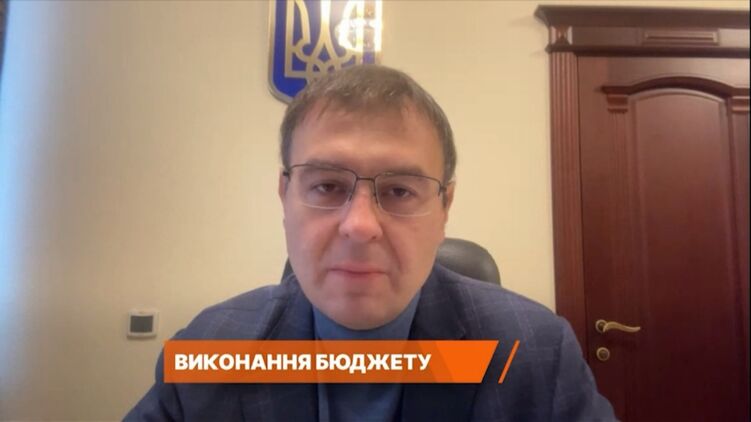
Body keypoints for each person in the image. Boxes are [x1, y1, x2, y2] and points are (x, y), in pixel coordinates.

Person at [126, 65, 615, 421]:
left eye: (399, 191)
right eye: (327, 186)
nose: (360, 226)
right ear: (284, 196)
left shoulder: (538, 354)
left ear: (444, 207)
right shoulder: (208, 352)